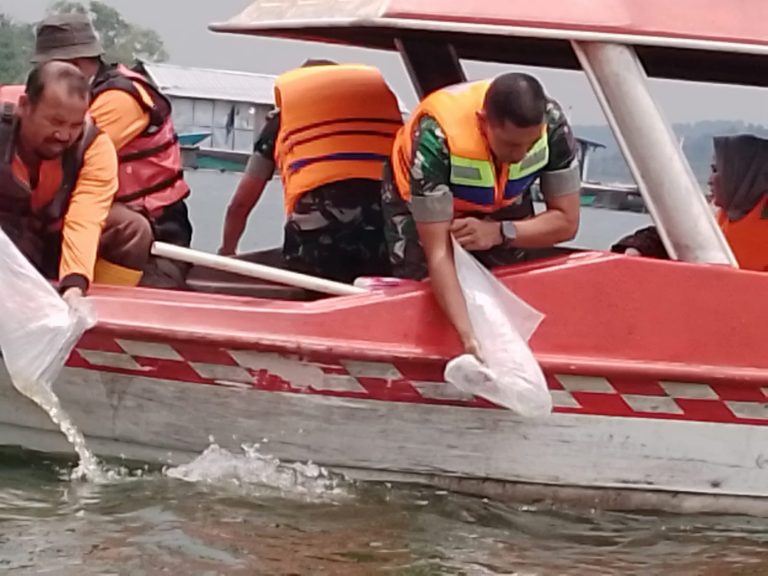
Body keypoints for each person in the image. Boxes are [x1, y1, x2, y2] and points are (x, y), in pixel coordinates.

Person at [382, 73, 581, 356]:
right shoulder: (433, 141)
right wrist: (468, 339)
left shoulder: (554, 127)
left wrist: (499, 232)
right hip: (421, 201)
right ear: (482, 122)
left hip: (502, 200)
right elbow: (438, 254)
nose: (522, 154)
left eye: (531, 143)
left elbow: (566, 222)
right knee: (426, 289)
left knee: (509, 281)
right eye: (512, 145)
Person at [32, 13, 193, 288]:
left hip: (156, 238)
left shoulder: (118, 99)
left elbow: (66, 160)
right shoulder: (79, 96)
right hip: (102, 223)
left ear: (75, 63)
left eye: (50, 66)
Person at [218, 60, 403, 283]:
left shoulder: (284, 123)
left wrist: (227, 250)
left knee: (311, 289)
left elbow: (240, 204)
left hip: (316, 244)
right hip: (384, 239)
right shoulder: (380, 121)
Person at [0, 61, 152, 303]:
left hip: (51, 238)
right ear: (25, 106)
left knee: (132, 229)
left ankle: (102, 312)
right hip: (6, 238)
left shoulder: (95, 146)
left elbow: (86, 216)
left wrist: (75, 283)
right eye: (55, 122)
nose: (63, 136)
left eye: (74, 125)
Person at [612, 134, 768, 271]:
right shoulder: (713, 215)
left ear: (741, 175)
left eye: (715, 170)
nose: (709, 181)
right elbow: (673, 235)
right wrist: (637, 247)